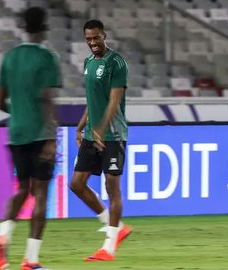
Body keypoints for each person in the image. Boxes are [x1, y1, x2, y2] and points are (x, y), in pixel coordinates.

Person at [0, 7, 60, 270]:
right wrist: (52, 137)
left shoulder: (9, 57)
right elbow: (46, 98)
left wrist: (18, 112)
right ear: (44, 27)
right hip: (40, 133)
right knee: (41, 195)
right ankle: (30, 260)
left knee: (21, 189)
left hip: (16, 132)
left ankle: (2, 235)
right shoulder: (47, 58)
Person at [69, 19, 132, 262]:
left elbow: (114, 100)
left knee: (111, 187)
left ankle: (109, 248)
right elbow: (93, 100)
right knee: (76, 184)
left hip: (113, 135)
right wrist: (81, 126)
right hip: (90, 134)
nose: (93, 43)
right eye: (88, 39)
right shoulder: (87, 62)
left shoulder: (117, 63)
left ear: (104, 36)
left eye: (96, 38)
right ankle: (114, 225)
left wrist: (101, 129)